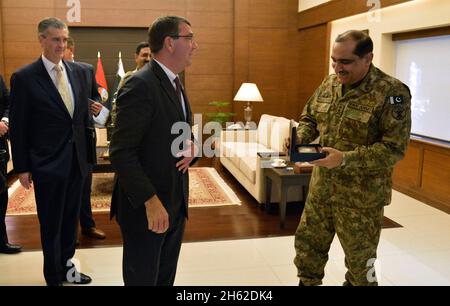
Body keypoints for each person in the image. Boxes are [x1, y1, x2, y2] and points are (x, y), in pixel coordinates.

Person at [292, 30, 411, 286]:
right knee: (307, 252)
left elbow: (394, 149)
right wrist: (300, 136)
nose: (337, 68)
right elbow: (310, 117)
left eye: (345, 62)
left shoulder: (392, 93)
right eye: (334, 60)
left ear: (367, 58)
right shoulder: (330, 83)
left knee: (361, 267)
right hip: (322, 191)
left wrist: (345, 159)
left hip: (361, 199)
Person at [109, 16, 198, 286]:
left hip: (174, 202)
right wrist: (151, 201)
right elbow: (122, 152)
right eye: (190, 38)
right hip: (147, 209)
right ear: (170, 43)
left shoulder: (175, 82)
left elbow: (178, 130)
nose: (195, 45)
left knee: (164, 278)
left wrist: (193, 145)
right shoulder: (140, 84)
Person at [9, 17, 93, 286]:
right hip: (47, 164)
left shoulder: (81, 72)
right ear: (42, 39)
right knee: (52, 225)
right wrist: (22, 166)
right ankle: (53, 277)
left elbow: (82, 120)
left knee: (71, 224)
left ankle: (68, 269)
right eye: (56, 39)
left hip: (78, 162)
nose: (61, 44)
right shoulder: (24, 78)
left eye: (64, 39)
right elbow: (19, 126)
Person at [64, 37, 107, 240]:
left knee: (84, 187)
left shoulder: (85, 70)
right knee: (66, 192)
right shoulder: (49, 75)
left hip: (84, 141)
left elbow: (95, 95)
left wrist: (97, 105)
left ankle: (88, 226)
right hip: (61, 145)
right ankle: (70, 235)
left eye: (65, 46)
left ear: (71, 49)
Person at [107, 42, 151, 131]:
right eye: (144, 55)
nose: (148, 59)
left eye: (151, 56)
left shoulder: (159, 79)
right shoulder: (128, 79)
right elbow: (117, 110)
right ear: (136, 57)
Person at [0, 74, 22, 254]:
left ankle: (1, 241)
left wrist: (5, 120)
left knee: (1, 194)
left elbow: (9, 103)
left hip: (0, 147)